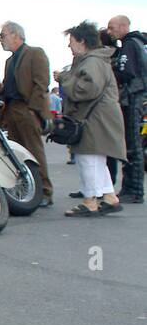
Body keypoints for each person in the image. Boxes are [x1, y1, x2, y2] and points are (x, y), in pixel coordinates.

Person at [57, 21, 126, 216]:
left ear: (82, 42)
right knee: (96, 160)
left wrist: (64, 78)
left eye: (71, 41)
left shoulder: (92, 62)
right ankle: (109, 197)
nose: (69, 46)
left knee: (87, 159)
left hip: (94, 120)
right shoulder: (97, 60)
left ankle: (90, 201)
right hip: (101, 118)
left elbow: (85, 89)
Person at [0, 21, 54, 206]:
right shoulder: (10, 61)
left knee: (34, 151)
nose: (0, 39)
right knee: (16, 154)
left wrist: (33, 110)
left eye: (3, 35)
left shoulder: (35, 53)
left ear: (15, 34)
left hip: (26, 109)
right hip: (12, 110)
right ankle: (28, 191)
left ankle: (45, 191)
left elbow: (41, 83)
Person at [106, 14, 146, 203]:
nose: (110, 32)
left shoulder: (130, 45)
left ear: (123, 26)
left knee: (132, 145)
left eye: (112, 28)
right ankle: (131, 188)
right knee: (132, 145)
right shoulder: (136, 44)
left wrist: (113, 74)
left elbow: (126, 72)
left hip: (132, 98)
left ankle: (134, 189)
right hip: (135, 97)